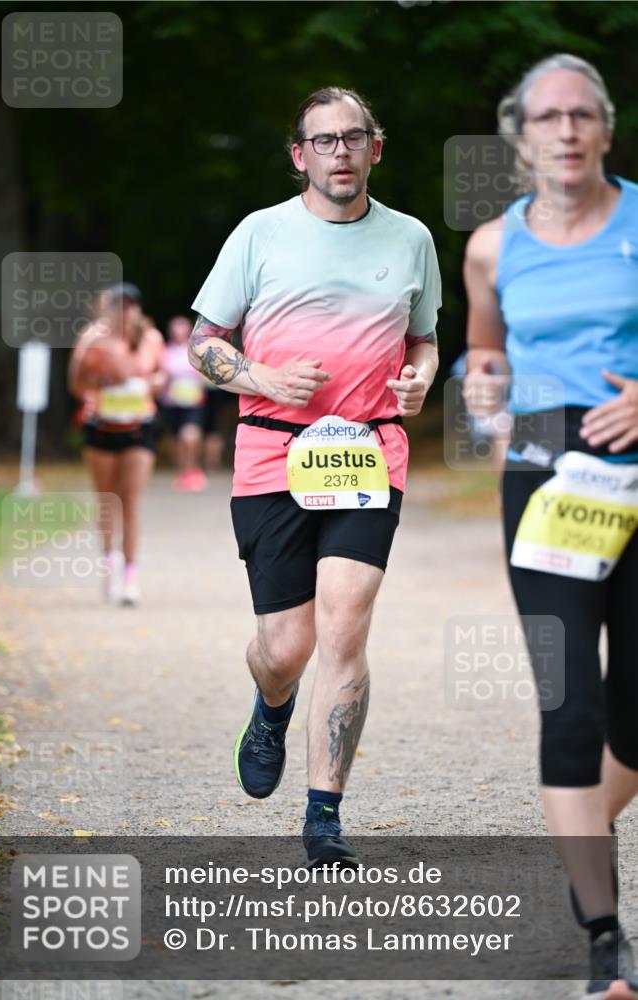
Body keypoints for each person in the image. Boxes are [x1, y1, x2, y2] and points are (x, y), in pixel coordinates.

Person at [188, 86, 441, 867]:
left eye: (353, 137)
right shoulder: (259, 233)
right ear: (300, 155)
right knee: (285, 645)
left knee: (344, 623)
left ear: (375, 147)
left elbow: (424, 340)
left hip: (368, 451)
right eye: (324, 140)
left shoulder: (411, 238)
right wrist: (261, 377)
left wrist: (420, 379)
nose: (340, 152)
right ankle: (271, 708)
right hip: (272, 451)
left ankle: (323, 815)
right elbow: (203, 343)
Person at [462, 54, 638, 999]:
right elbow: (483, 349)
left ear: (604, 127)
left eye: (581, 114)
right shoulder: (491, 246)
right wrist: (480, 384)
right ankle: (602, 936)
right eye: (547, 117)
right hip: (542, 474)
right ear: (519, 134)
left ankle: (575, 838)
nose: (565, 130)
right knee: (568, 704)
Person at [68, 283, 164, 606]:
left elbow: (162, 376)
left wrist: (151, 384)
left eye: (130, 305)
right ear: (107, 309)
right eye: (118, 305)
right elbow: (77, 383)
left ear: (138, 309)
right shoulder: (92, 338)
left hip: (139, 427)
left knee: (132, 501)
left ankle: (130, 577)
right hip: (103, 427)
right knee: (108, 500)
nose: (125, 311)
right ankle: (108, 564)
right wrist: (97, 390)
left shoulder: (151, 338)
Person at [159, 315, 208, 492]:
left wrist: (201, 383)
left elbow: (205, 375)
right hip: (171, 402)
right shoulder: (165, 351)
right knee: (176, 440)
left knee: (190, 436)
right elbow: (162, 375)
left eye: (182, 329)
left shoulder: (196, 349)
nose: (178, 333)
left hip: (193, 401)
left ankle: (194, 469)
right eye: (175, 330)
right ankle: (182, 472)